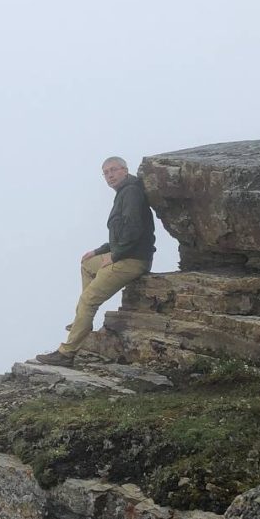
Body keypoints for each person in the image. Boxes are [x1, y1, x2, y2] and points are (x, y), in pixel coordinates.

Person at [36, 156, 155, 367]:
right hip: (126, 254)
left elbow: (133, 229)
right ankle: (83, 321)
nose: (110, 175)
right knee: (87, 264)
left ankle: (67, 353)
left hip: (133, 260)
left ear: (125, 170)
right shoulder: (124, 192)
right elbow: (120, 234)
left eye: (113, 170)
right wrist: (99, 251)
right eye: (106, 173)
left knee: (88, 300)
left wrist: (114, 256)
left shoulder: (131, 192)